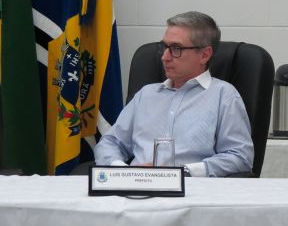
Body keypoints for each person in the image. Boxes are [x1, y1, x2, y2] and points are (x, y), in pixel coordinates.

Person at [94, 11, 253, 177]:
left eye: (176, 48)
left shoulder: (223, 95)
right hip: (136, 186)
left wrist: (182, 173)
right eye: (164, 47)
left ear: (204, 55)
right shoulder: (146, 95)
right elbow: (110, 143)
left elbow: (240, 156)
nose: (165, 57)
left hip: (192, 188)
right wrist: (123, 171)